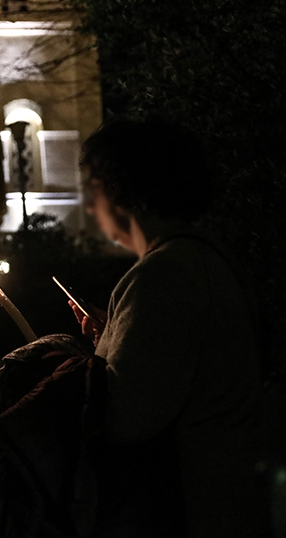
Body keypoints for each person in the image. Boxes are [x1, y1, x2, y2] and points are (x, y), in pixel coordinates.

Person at [72, 120, 269, 537]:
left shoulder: (165, 274)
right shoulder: (201, 258)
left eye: (92, 188)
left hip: (188, 508)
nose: (88, 207)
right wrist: (113, 337)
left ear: (122, 190)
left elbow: (125, 416)